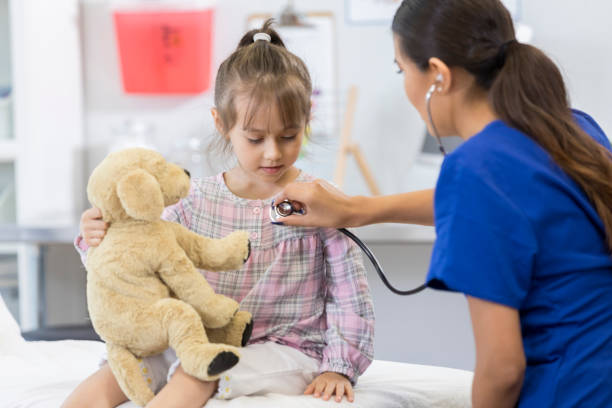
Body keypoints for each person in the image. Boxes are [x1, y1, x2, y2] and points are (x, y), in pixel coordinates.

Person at [275, 1, 612, 407]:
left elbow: (503, 369)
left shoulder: (477, 169)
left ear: (437, 74)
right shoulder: (571, 128)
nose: (405, 86)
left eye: (402, 70)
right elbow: (503, 205)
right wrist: (357, 210)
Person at [62, 20, 374, 408]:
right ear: (221, 124)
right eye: (256, 139)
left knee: (200, 371)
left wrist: (340, 366)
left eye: (289, 136)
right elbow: (135, 260)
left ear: (307, 119)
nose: (273, 152)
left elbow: (349, 297)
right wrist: (98, 237)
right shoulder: (193, 199)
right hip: (200, 337)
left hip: (288, 349)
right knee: (120, 369)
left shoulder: (324, 201)